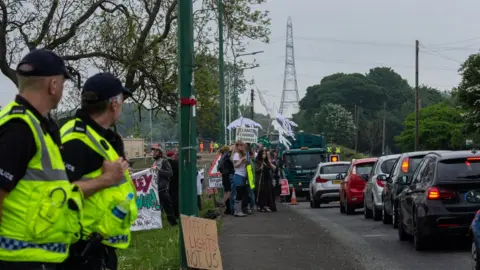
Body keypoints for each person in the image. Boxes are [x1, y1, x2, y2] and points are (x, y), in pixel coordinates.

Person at [0, 49, 84, 269]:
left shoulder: (37, 126)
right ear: (53, 85)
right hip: (19, 262)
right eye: (63, 84)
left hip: (36, 258)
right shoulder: (20, 128)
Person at [60, 72, 137, 270]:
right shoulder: (76, 140)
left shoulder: (105, 138)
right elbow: (59, 192)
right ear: (114, 103)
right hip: (80, 249)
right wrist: (107, 179)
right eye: (121, 100)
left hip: (100, 246)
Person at [151, 145, 177, 226]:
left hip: (163, 188)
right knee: (158, 208)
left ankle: (173, 223)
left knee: (167, 207)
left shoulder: (164, 162)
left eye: (156, 151)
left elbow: (170, 173)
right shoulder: (154, 163)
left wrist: (159, 170)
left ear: (160, 153)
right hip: (156, 188)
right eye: (153, 151)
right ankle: (156, 223)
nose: (154, 153)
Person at [231, 140, 248, 217]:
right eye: (240, 145)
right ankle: (237, 211)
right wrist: (242, 160)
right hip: (238, 175)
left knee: (242, 194)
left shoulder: (243, 154)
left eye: (243, 145)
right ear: (237, 146)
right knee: (239, 194)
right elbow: (235, 165)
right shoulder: (236, 154)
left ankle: (239, 210)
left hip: (243, 176)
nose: (242, 146)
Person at [217, 145, 234, 215]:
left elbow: (220, 166)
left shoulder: (222, 156)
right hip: (228, 174)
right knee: (229, 191)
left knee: (226, 191)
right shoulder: (228, 155)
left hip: (224, 175)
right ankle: (225, 205)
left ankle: (226, 207)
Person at [166, 150, 179, 218]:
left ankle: (172, 213)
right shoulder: (176, 163)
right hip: (176, 183)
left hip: (168, 183)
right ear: (172, 156)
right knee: (176, 198)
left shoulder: (165, 163)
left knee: (170, 198)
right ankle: (177, 213)